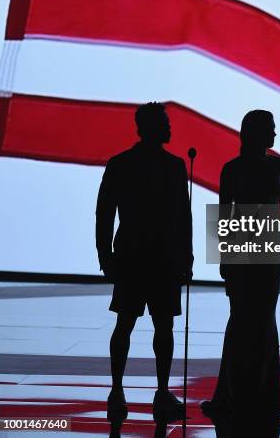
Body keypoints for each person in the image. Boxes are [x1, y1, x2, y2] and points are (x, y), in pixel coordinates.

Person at [95, 102, 193, 420]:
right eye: (164, 122)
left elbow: (184, 217)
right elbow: (106, 212)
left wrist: (105, 254)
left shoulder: (125, 164)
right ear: (149, 127)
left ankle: (126, 390)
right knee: (145, 325)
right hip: (148, 258)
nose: (169, 127)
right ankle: (146, 391)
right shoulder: (159, 166)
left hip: (143, 257)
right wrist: (104, 254)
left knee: (141, 325)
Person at [201, 110, 280, 427]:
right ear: (255, 133)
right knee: (245, 320)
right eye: (270, 129)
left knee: (260, 320)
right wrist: (226, 259)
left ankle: (254, 396)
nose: (275, 134)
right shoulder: (233, 170)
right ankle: (241, 395)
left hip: (269, 254)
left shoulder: (278, 168)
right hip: (244, 255)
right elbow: (224, 219)